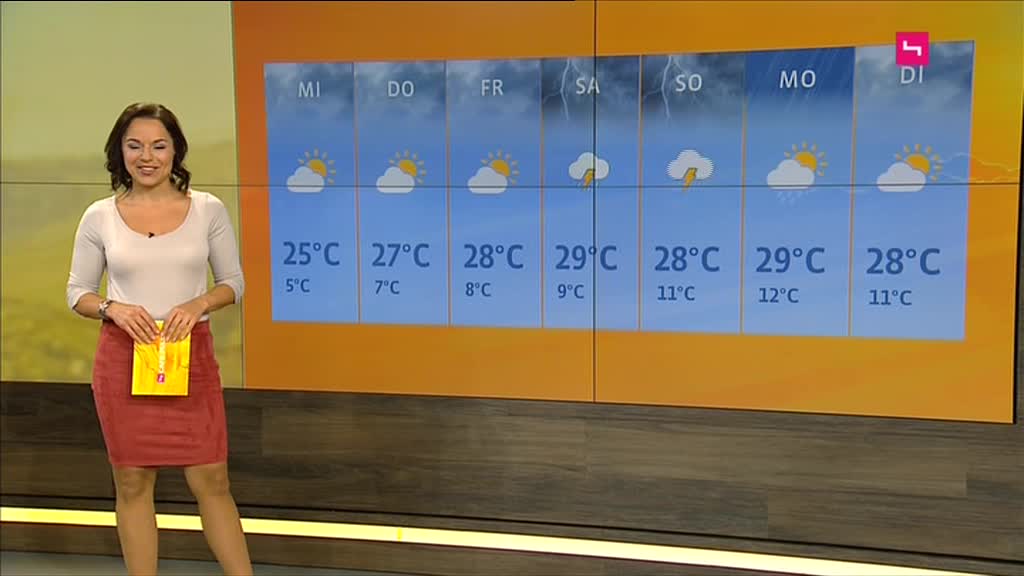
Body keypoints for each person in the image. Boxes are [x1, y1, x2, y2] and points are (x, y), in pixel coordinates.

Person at [66, 102, 252, 576]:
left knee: (212, 478)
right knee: (131, 483)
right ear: (120, 152)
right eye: (135, 146)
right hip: (124, 360)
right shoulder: (99, 216)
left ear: (175, 151)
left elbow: (233, 282)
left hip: (191, 357)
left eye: (158, 146)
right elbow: (77, 292)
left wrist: (199, 303)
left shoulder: (207, 209)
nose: (146, 157)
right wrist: (112, 307)